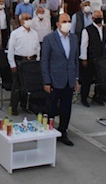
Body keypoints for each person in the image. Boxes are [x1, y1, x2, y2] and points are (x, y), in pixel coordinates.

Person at [41, 13, 79, 146]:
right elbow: (44, 61)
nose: (67, 23)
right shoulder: (49, 39)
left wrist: (76, 79)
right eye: (64, 21)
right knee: (51, 108)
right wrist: (46, 81)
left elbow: (75, 60)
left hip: (69, 79)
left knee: (66, 108)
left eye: (69, 21)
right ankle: (48, 132)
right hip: (54, 79)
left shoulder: (74, 38)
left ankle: (63, 132)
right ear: (57, 24)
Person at [7, 13, 40, 116]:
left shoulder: (34, 33)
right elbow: (11, 50)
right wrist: (12, 64)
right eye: (26, 18)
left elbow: (38, 48)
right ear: (21, 21)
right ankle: (13, 106)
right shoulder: (16, 33)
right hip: (20, 60)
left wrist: (38, 60)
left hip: (32, 60)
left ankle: (26, 104)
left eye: (30, 18)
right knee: (17, 84)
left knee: (30, 84)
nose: (29, 20)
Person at [79, 10, 106, 107]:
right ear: (93, 18)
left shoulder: (104, 29)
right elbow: (84, 45)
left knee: (99, 79)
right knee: (87, 80)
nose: (99, 18)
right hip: (90, 59)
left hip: (101, 58)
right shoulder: (87, 30)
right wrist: (84, 58)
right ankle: (84, 97)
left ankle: (97, 97)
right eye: (97, 16)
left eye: (100, 16)